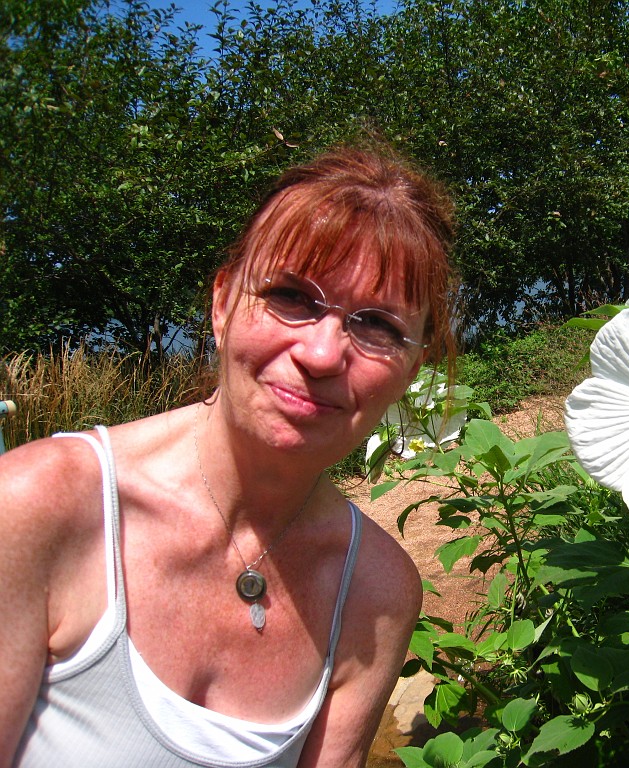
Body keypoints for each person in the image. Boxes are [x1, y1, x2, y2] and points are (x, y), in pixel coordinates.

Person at [0, 141, 457, 767]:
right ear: (221, 305)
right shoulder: (38, 508)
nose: (322, 355)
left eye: (378, 326)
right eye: (291, 296)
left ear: (412, 369)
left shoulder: (374, 593)